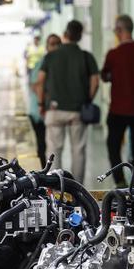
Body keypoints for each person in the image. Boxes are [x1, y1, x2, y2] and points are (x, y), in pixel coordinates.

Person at [34, 20, 99, 182]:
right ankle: (77, 190)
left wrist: (41, 104)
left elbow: (40, 82)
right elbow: (95, 81)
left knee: (54, 151)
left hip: (54, 110)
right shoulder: (86, 57)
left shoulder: (50, 56)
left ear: (65, 35)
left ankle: (57, 188)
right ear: (79, 36)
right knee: (78, 150)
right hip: (77, 111)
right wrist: (87, 100)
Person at [101, 14, 134, 189]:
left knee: (113, 147)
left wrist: (112, 75)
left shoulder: (113, 54)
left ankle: (120, 183)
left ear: (120, 30)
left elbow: (105, 76)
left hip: (118, 110)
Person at [27, 34, 61, 166]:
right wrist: (43, 103)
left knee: (52, 144)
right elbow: (36, 85)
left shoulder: (56, 62)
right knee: (43, 144)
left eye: (58, 44)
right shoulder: (43, 62)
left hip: (49, 110)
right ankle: (44, 172)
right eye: (52, 44)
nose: (56, 47)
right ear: (47, 47)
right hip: (39, 112)